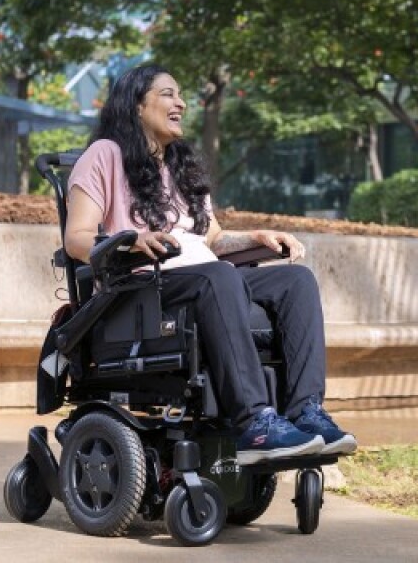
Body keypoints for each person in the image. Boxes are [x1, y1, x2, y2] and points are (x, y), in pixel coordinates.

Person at [64, 63, 357, 464]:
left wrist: (254, 238)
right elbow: (77, 238)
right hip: (143, 289)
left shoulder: (181, 165)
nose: (180, 103)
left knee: (295, 282)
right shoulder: (105, 155)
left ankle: (306, 413)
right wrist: (133, 240)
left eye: (180, 94)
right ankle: (255, 422)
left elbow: (212, 240)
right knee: (218, 278)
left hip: (205, 280)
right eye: (168, 93)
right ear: (135, 104)